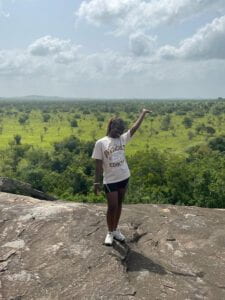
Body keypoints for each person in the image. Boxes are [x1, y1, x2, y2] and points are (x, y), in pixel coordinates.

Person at [92, 108, 151, 246]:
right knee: (111, 206)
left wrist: (142, 113)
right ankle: (109, 232)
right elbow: (98, 165)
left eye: (121, 129)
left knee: (118, 204)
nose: (119, 131)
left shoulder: (122, 139)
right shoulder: (101, 143)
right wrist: (96, 183)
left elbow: (134, 127)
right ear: (111, 126)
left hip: (124, 176)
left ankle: (116, 230)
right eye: (117, 128)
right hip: (110, 180)